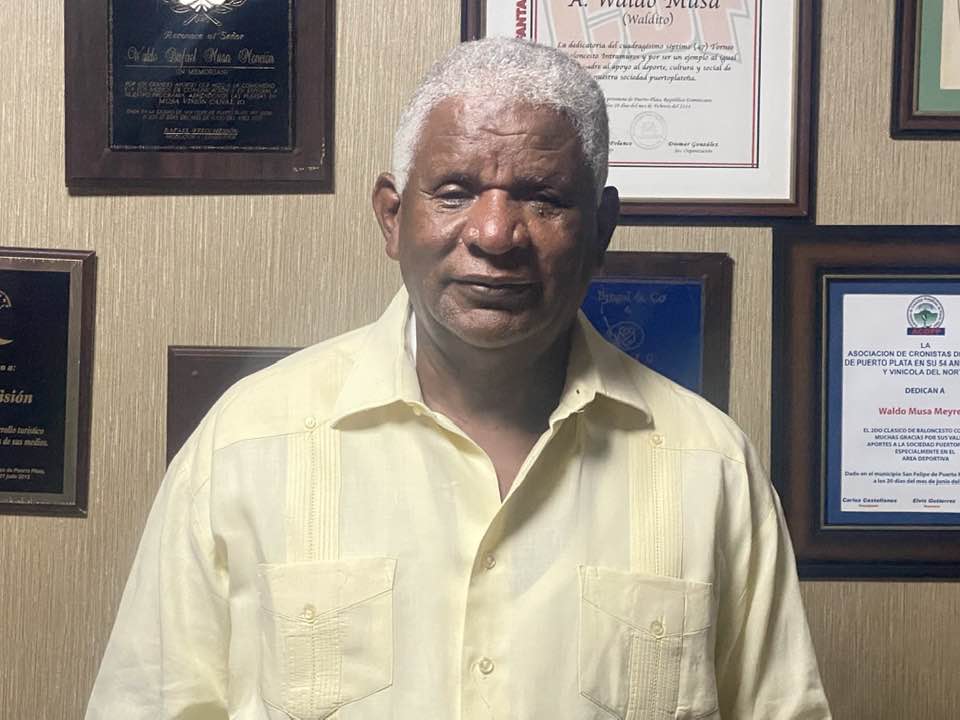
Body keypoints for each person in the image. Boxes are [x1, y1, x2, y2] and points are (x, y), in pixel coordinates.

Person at [86, 38, 831, 719]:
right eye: (453, 192)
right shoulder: (246, 445)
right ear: (391, 216)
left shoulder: (711, 468)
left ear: (601, 229)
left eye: (544, 198)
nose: (495, 234)